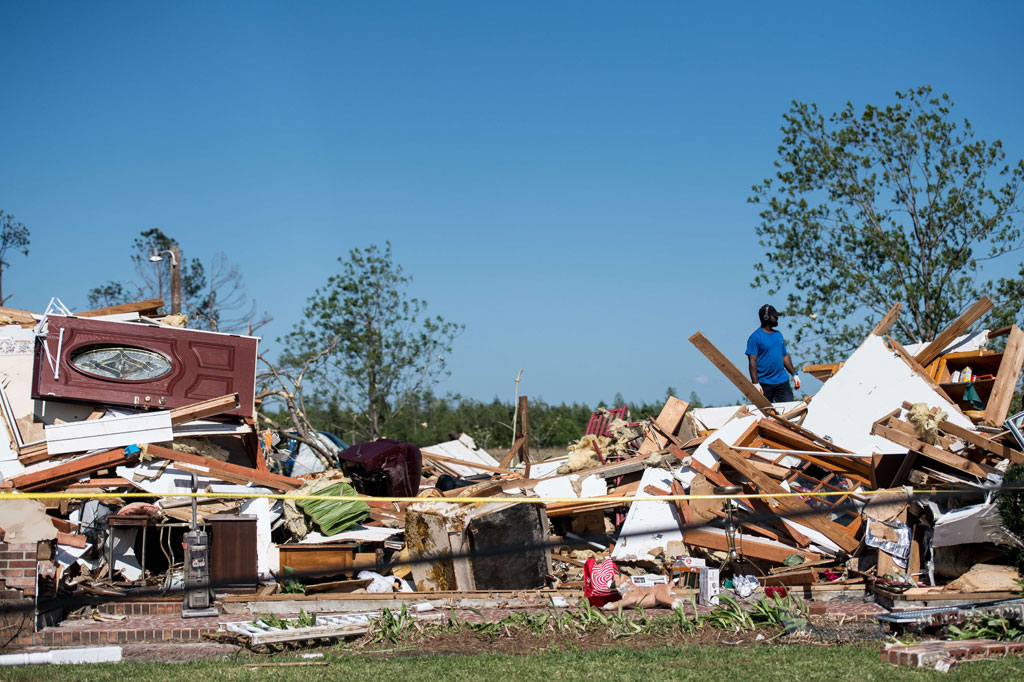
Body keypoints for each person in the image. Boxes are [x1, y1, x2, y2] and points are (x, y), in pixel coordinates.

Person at [746, 304, 800, 403]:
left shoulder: (778, 335)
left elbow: (785, 357)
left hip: (782, 382)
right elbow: (752, 362)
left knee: (788, 410)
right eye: (774, 316)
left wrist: (794, 374)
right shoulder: (755, 337)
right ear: (766, 317)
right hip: (764, 383)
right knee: (765, 414)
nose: (777, 318)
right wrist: (755, 383)